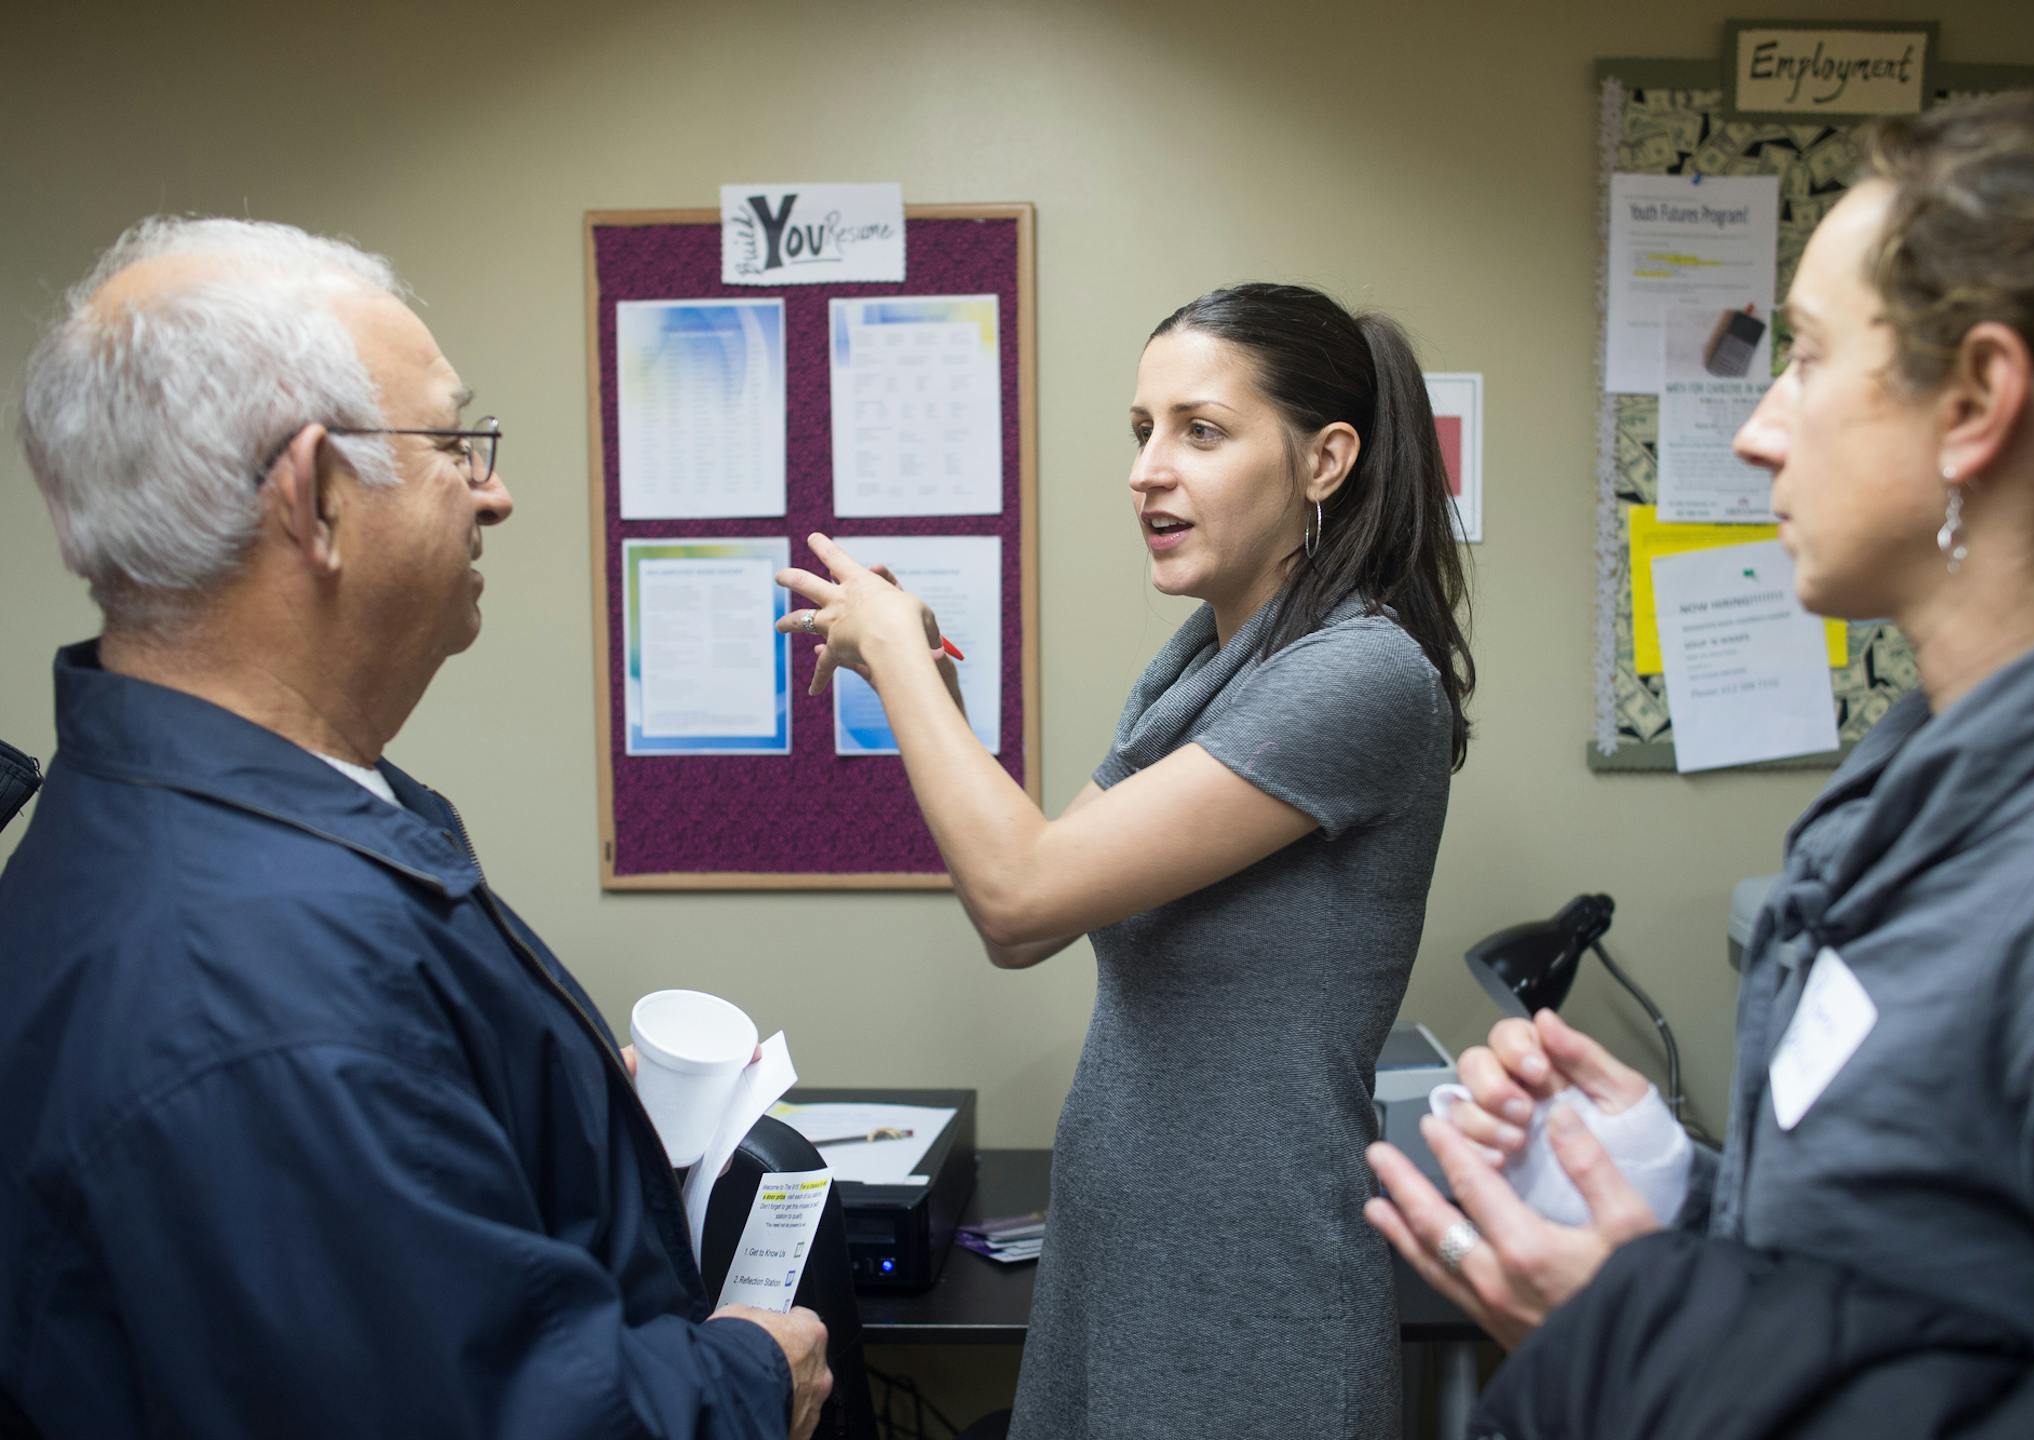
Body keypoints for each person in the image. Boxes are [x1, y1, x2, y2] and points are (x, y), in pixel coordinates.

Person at [1365, 92, 2034, 1439]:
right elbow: (1917, 1273)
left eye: (1805, 356)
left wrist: (1642, 1326)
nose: (1758, 429)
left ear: (1975, 401)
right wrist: (1671, 1193)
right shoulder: (1936, 779)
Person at [0, 217, 830, 1439]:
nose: (495, 491)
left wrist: (546, 1117)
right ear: (319, 497)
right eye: (455, 441)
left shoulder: (203, 835)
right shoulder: (256, 978)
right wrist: (748, 1380)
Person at [775, 283, 1474, 1436]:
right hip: (1125, 1247)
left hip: (1251, 1282)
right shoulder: (1206, 657)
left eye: (1201, 430)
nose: (1148, 469)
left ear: (1325, 460)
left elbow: (1018, 896)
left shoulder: (1361, 674)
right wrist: (937, 693)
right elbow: (1046, 901)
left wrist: (898, 659)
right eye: (1142, 431)